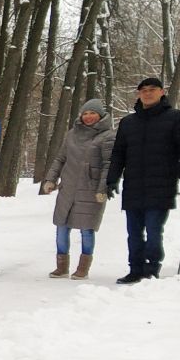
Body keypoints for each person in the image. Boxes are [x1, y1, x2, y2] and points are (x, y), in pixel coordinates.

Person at [105, 75, 180, 284]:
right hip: (134, 186)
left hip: (161, 185)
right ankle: (135, 269)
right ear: (139, 94)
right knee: (134, 232)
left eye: (152, 89)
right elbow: (118, 153)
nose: (148, 93)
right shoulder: (128, 122)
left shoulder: (175, 118)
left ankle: (151, 268)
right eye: (144, 90)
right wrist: (111, 179)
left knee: (154, 230)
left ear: (161, 92)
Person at [40, 98, 114, 279]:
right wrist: (50, 179)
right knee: (61, 226)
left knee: (87, 229)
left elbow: (108, 165)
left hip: (91, 189)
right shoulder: (71, 134)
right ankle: (62, 266)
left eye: (92, 113)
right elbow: (60, 158)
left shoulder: (108, 136)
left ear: (100, 115)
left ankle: (83, 268)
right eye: (85, 113)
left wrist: (102, 189)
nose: (88, 117)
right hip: (68, 187)